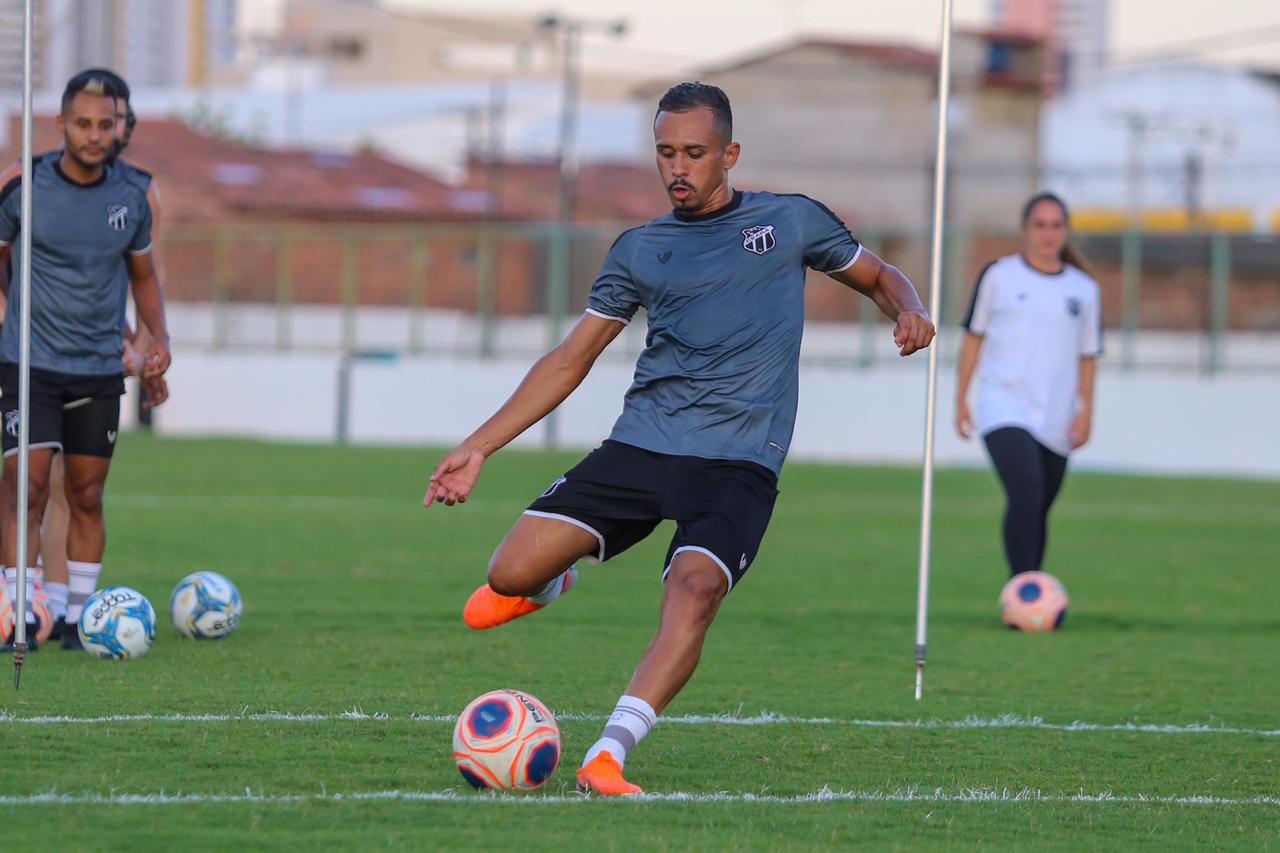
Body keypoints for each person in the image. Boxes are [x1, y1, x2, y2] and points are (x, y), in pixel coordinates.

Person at [426, 82, 935, 795]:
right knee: (508, 573)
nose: (678, 168)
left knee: (693, 590)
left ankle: (608, 753)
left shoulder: (789, 222)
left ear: (729, 154)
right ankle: (550, 582)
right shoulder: (640, 249)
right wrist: (480, 445)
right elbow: (572, 358)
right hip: (644, 447)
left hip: (738, 466)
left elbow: (880, 277)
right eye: (666, 152)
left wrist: (909, 310)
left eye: (694, 153)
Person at [0, 71, 171, 649]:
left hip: (97, 367)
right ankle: (20, 613)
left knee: (86, 493)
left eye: (105, 124)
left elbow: (142, 275)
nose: (94, 135)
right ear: (62, 125)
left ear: (119, 127)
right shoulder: (22, 186)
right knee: (25, 482)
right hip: (28, 364)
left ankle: (76, 618)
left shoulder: (134, 194)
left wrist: (156, 339)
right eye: (83, 123)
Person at [954, 191, 1102, 578]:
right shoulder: (999, 276)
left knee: (1037, 506)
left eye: (1056, 226)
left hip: (1055, 414)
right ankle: (1024, 589)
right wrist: (961, 400)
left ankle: (1029, 586)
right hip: (1002, 404)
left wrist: (1086, 410)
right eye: (1040, 225)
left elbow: (1088, 355)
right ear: (1025, 229)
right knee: (1027, 492)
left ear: (1066, 231)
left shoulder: (1084, 290)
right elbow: (973, 337)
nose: (1048, 234)